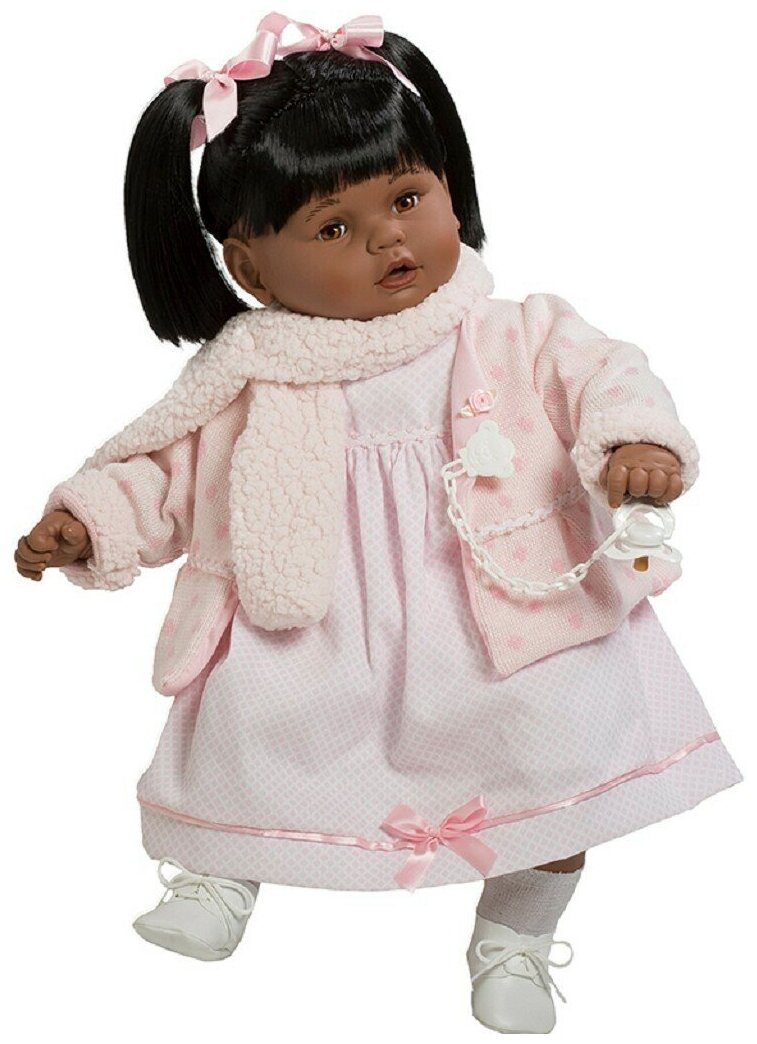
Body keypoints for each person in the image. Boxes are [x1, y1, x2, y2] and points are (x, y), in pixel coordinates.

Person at [14, 12, 742, 1035]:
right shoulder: (251, 378)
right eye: (333, 228)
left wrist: (632, 443)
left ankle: (517, 936)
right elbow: (166, 477)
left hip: (503, 614)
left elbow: (606, 378)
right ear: (251, 270)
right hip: (311, 622)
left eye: (406, 198)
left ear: (447, 185)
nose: (388, 238)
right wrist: (93, 521)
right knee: (248, 732)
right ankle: (219, 875)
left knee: (554, 757)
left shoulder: (516, 332)